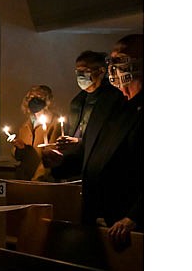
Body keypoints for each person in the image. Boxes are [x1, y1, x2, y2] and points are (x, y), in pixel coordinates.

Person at [44, 34, 143, 246]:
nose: (114, 67)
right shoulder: (106, 104)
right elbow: (89, 154)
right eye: (112, 61)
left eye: (121, 59)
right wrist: (60, 161)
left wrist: (135, 216)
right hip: (94, 213)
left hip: (128, 222)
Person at [50, 51, 125, 181]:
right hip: (77, 169)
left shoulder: (115, 99)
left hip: (102, 171)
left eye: (85, 70)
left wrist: (80, 143)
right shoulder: (77, 102)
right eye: (78, 71)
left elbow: (110, 139)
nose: (80, 75)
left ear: (101, 71)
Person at [8, 85, 62, 181]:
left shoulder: (54, 123)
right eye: (31, 97)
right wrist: (20, 148)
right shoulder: (25, 125)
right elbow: (19, 157)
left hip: (43, 180)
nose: (34, 100)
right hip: (24, 177)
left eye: (38, 97)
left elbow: (51, 156)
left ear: (47, 101)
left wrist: (38, 179)